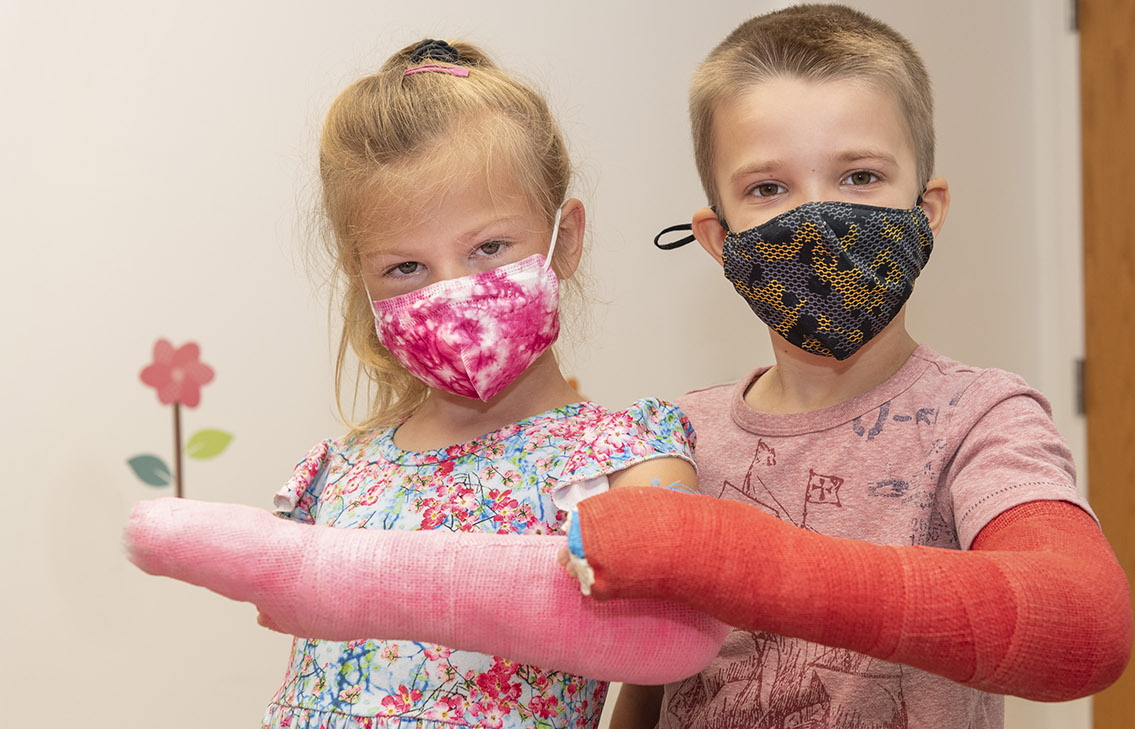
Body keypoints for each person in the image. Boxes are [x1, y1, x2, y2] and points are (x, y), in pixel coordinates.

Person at [125, 37, 728, 729]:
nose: (454, 292)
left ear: (566, 238)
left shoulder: (627, 459)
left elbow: (671, 640)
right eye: (405, 267)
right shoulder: (343, 469)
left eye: (488, 248)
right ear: (363, 280)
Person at [556, 5, 1133, 728]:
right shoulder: (678, 438)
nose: (819, 220)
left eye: (860, 176)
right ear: (717, 239)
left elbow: (1083, 625)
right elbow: (650, 679)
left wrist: (743, 561)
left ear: (927, 212)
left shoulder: (981, 420)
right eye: (768, 188)